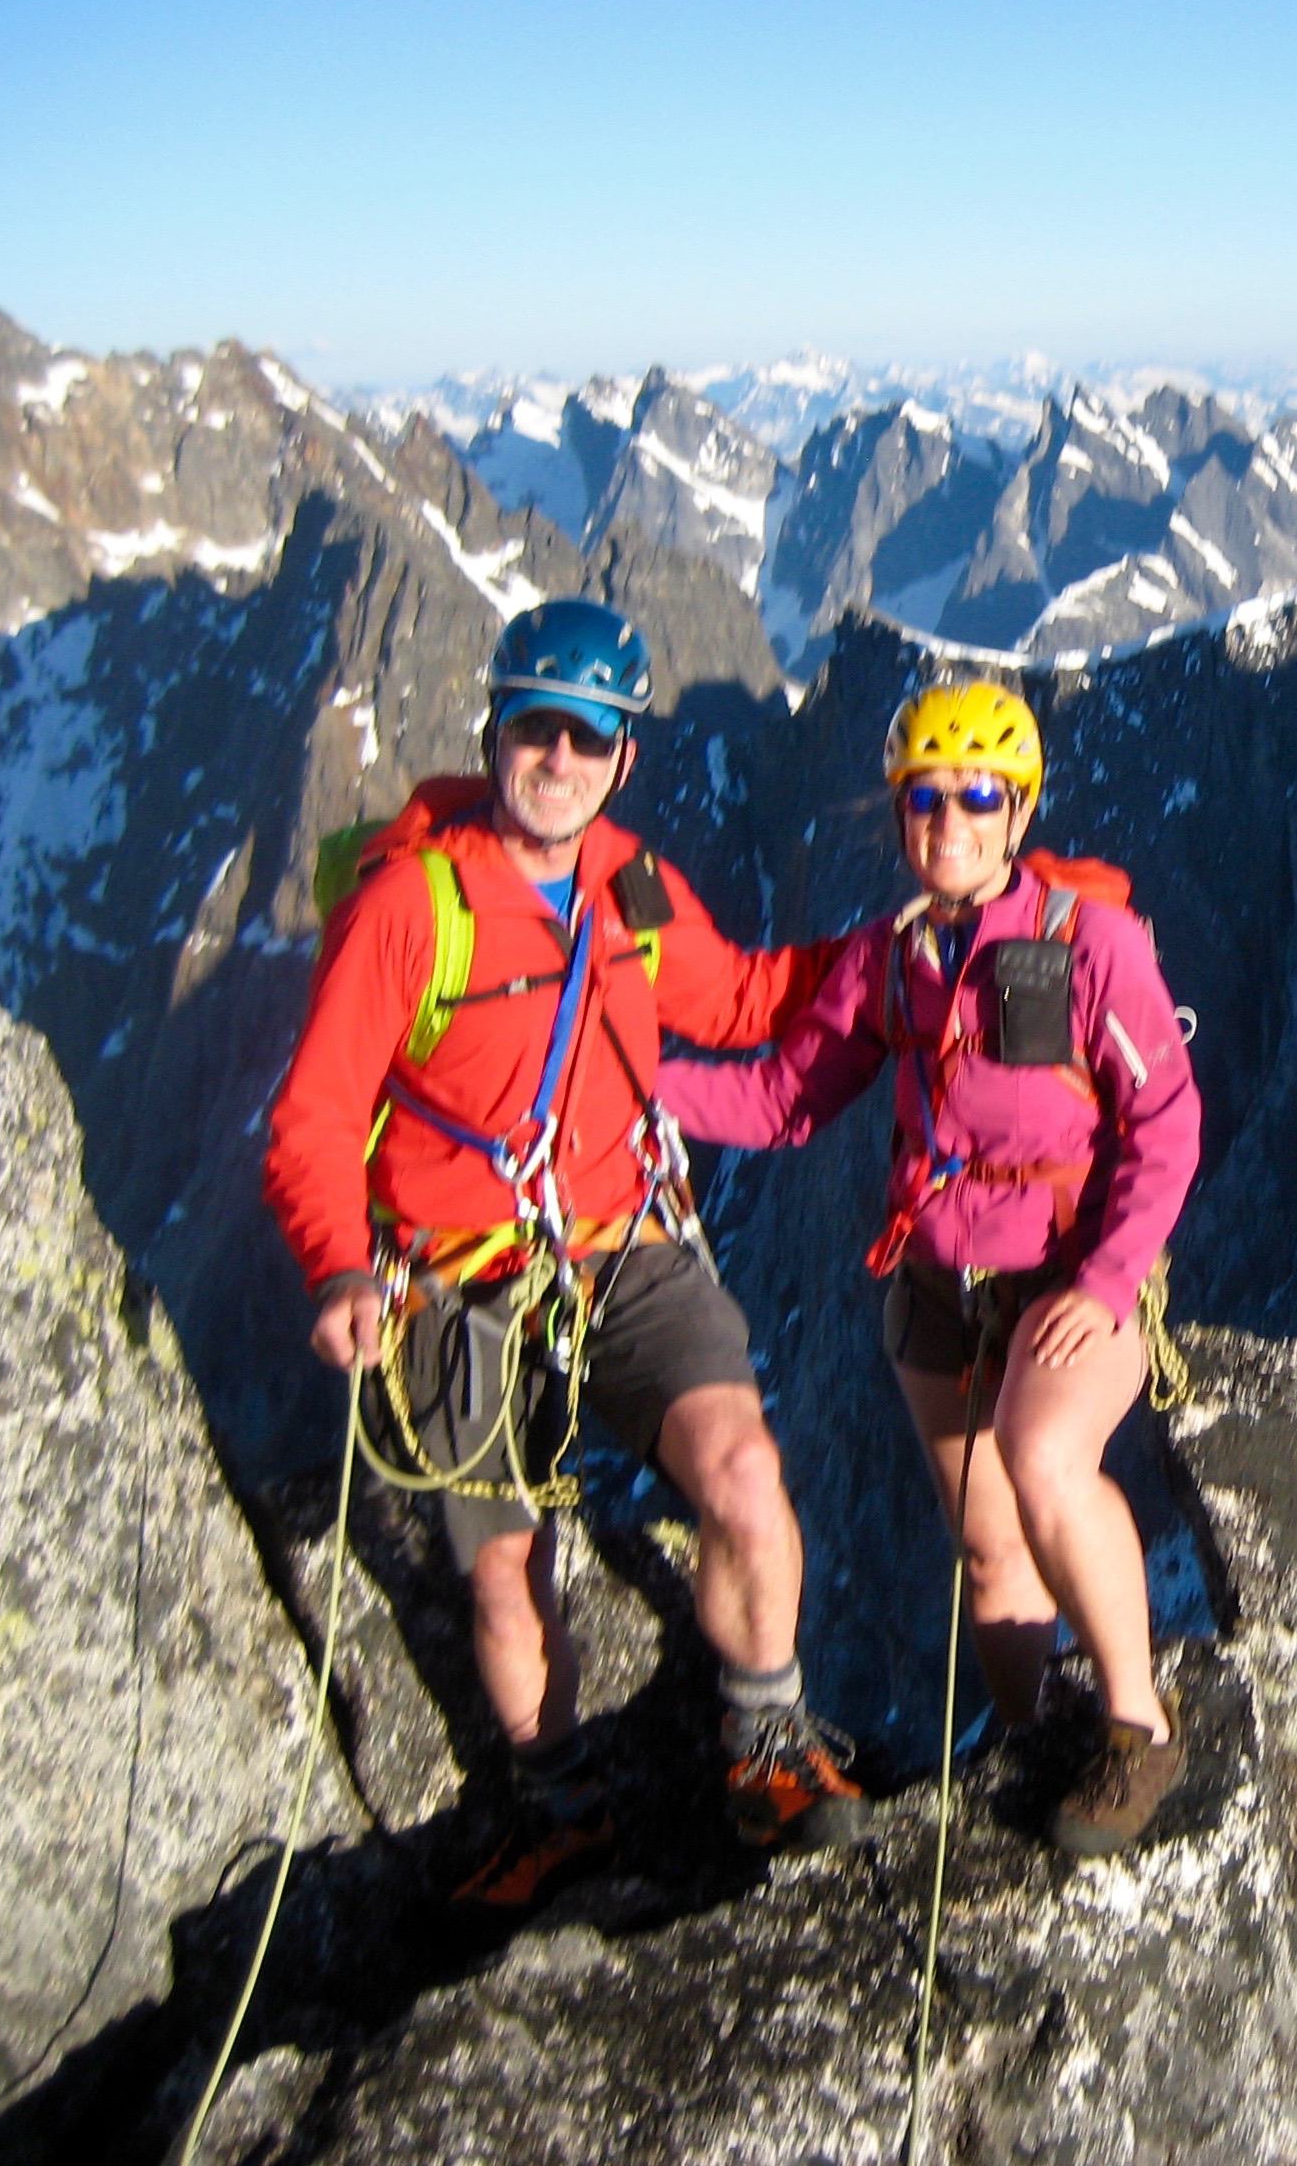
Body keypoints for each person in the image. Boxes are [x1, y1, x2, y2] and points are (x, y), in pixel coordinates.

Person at [264, 598, 870, 1912]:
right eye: (536, 729)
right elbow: (312, 1117)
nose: (558, 760)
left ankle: (766, 1737)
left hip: (626, 1247)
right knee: (503, 1562)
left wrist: (896, 955)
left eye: (587, 738)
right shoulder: (411, 909)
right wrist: (337, 1268)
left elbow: (737, 998)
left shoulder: (633, 882)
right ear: (493, 733)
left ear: (622, 758)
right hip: (463, 1273)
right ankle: (554, 1800)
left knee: (743, 1469)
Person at [659, 677, 1202, 1856]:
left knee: (1047, 1464)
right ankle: (1034, 1739)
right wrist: (631, 1088)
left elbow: (1167, 1127)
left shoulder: (1088, 945)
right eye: (923, 798)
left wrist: (1106, 1283)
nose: (947, 823)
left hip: (1067, 1283)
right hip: (936, 1291)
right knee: (992, 1546)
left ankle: (1136, 1724)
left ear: (1017, 812)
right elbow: (783, 1097)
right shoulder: (889, 957)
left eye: (975, 798)